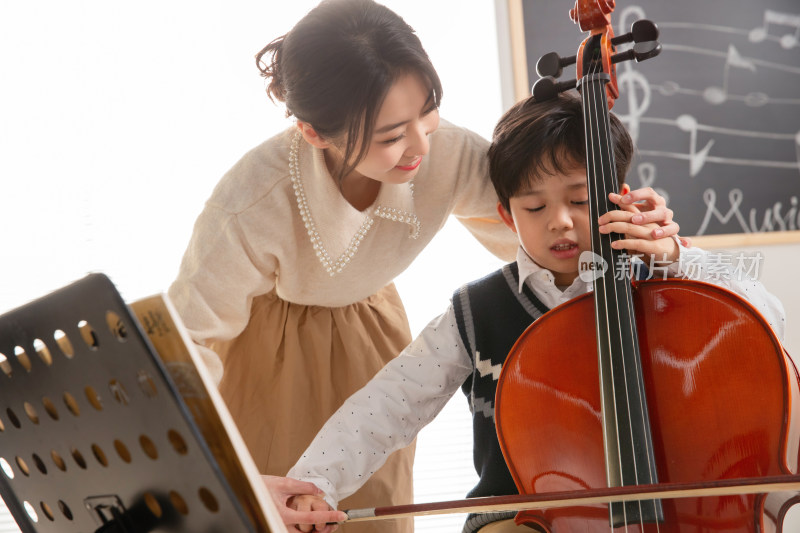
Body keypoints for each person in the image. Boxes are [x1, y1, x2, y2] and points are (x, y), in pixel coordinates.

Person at [167, 1, 679, 531]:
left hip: (367, 331)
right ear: (316, 133)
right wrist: (230, 473)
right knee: (272, 507)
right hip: (261, 350)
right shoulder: (252, 199)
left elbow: (548, 222)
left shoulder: (446, 150)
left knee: (371, 511)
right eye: (390, 135)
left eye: (427, 110)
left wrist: (656, 244)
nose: (420, 144)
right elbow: (186, 343)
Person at [283, 92, 787, 533]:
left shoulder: (667, 279)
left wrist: (678, 257)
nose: (561, 221)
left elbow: (766, 324)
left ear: (621, 197)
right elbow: (393, 401)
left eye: (581, 198)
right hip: (522, 520)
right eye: (535, 207)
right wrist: (317, 481)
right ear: (506, 216)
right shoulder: (477, 311)